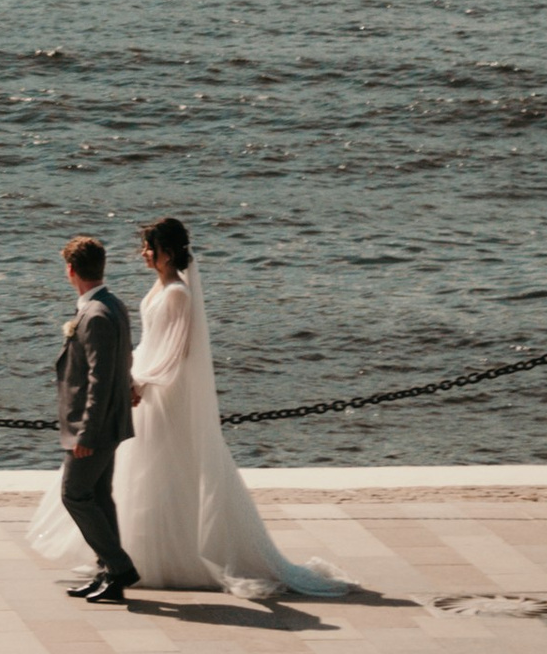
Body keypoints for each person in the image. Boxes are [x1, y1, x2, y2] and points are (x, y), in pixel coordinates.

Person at [27, 218, 354, 603]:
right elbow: (151, 343)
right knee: (126, 481)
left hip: (166, 396)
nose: (144, 253)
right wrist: (131, 378)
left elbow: (175, 353)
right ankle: (116, 564)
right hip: (145, 388)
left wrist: (138, 381)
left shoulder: (179, 293)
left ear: (167, 251)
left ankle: (146, 561)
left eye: (150, 247)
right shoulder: (159, 288)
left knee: (156, 474)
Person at [48, 233, 139, 607]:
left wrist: (86, 432)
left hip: (95, 428)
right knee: (100, 496)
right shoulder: (112, 304)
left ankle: (119, 567)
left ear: (71, 270)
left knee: (74, 495)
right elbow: (123, 361)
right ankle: (108, 574)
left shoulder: (96, 314)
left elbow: (98, 379)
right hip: (110, 422)